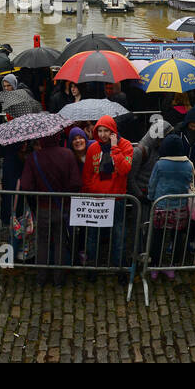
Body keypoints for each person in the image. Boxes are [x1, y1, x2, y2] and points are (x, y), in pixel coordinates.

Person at [19, 135, 81, 286]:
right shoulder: (67, 154)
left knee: (42, 242)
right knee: (60, 242)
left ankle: (41, 278)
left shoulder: (34, 157)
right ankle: (58, 279)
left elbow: (26, 186)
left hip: (43, 207)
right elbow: (76, 183)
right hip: (62, 207)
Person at [79, 115, 132, 280]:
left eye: (106, 131)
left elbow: (124, 169)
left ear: (113, 132)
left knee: (119, 236)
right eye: (99, 131)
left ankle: (120, 269)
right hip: (96, 200)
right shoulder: (93, 148)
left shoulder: (126, 146)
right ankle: (91, 269)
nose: (102, 135)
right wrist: (89, 193)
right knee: (92, 236)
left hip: (116, 199)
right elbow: (87, 174)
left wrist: (115, 149)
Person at [147, 134, 195, 278]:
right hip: (180, 207)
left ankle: (155, 266)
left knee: (158, 237)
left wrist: (150, 197)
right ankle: (173, 266)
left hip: (161, 205)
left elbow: (152, 183)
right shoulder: (188, 164)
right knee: (177, 237)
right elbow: (190, 182)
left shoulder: (160, 164)